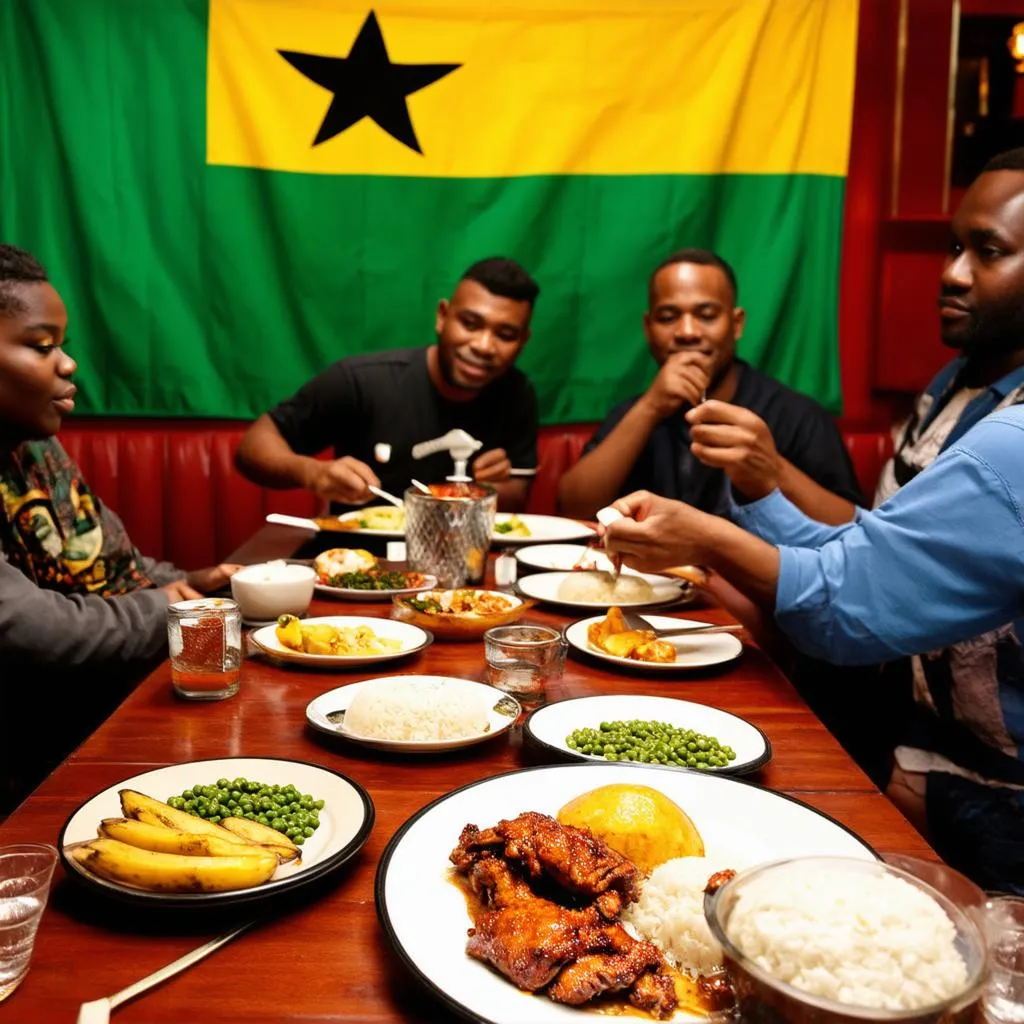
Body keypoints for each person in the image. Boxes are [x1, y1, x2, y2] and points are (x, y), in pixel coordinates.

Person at [601, 399, 1024, 893]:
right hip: (941, 763)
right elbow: (871, 552)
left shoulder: (1010, 440)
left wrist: (711, 542)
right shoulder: (956, 392)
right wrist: (757, 490)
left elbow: (846, 604)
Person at [0, 243, 240, 810]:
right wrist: (172, 609)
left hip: (83, 716)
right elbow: (31, 630)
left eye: (62, 344)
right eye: (41, 346)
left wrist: (192, 579)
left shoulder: (34, 451)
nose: (67, 363)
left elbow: (111, 561)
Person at [557, 249, 864, 524]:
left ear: (737, 324)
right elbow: (571, 509)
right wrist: (651, 407)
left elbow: (855, 530)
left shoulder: (794, 413)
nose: (687, 332)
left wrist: (773, 470)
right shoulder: (634, 411)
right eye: (668, 317)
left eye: (706, 316)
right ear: (648, 329)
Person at [235, 257, 540, 513]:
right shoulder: (363, 381)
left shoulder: (517, 394)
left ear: (523, 342)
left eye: (505, 335)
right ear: (442, 317)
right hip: (357, 567)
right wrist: (312, 472)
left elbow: (517, 494)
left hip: (466, 570)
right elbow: (252, 448)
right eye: (470, 324)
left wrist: (492, 488)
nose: (484, 346)